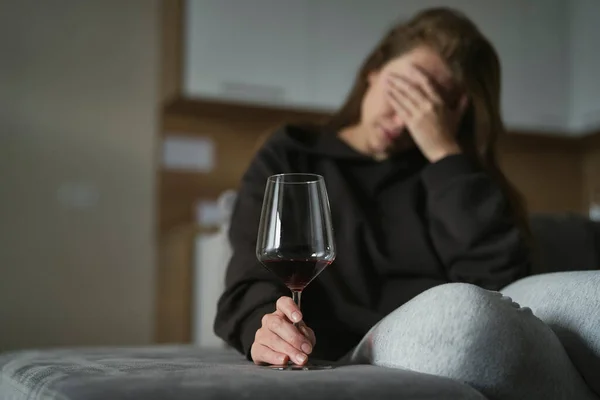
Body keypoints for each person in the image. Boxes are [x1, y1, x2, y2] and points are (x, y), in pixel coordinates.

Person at [214, 7, 600, 400]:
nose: (403, 120)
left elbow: (503, 284)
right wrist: (263, 327)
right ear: (374, 69)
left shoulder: (447, 173)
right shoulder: (292, 154)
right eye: (405, 90)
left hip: (486, 330)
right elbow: (249, 276)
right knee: (461, 313)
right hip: (390, 341)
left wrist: (445, 152)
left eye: (430, 108)